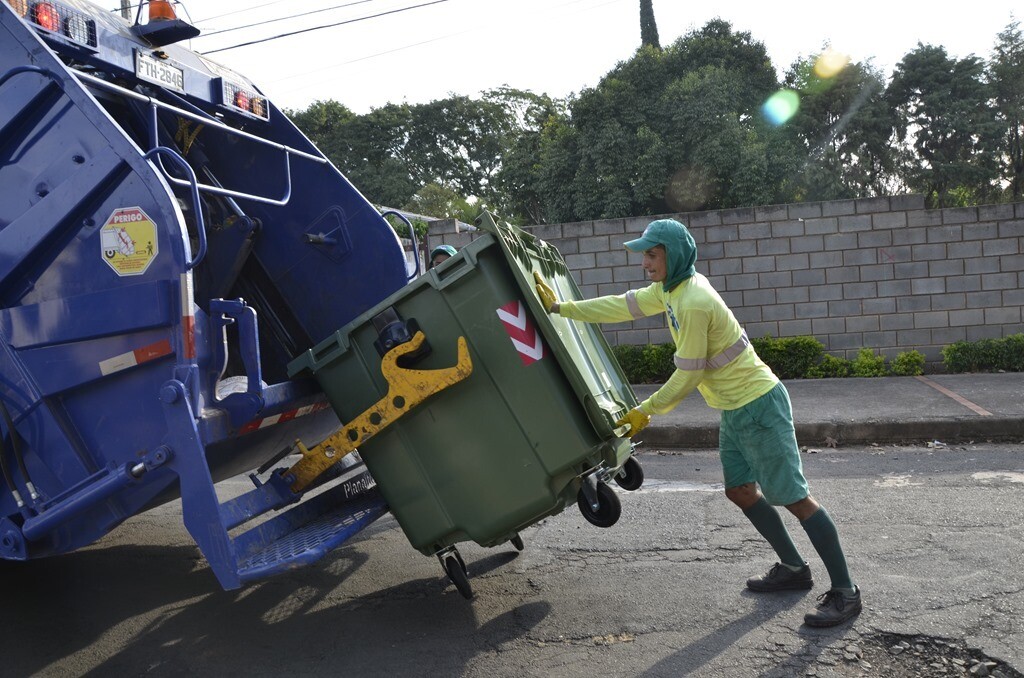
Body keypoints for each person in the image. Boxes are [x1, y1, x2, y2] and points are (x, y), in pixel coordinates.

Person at [533, 218, 862, 628]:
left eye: (652, 255)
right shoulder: (671, 290)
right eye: (644, 256)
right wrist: (559, 308)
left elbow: (687, 373)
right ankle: (794, 568)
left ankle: (846, 592)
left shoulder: (692, 302)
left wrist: (646, 411)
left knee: (795, 499)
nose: (645, 264)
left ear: (673, 255)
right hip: (734, 408)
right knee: (740, 491)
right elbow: (622, 305)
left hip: (759, 404)